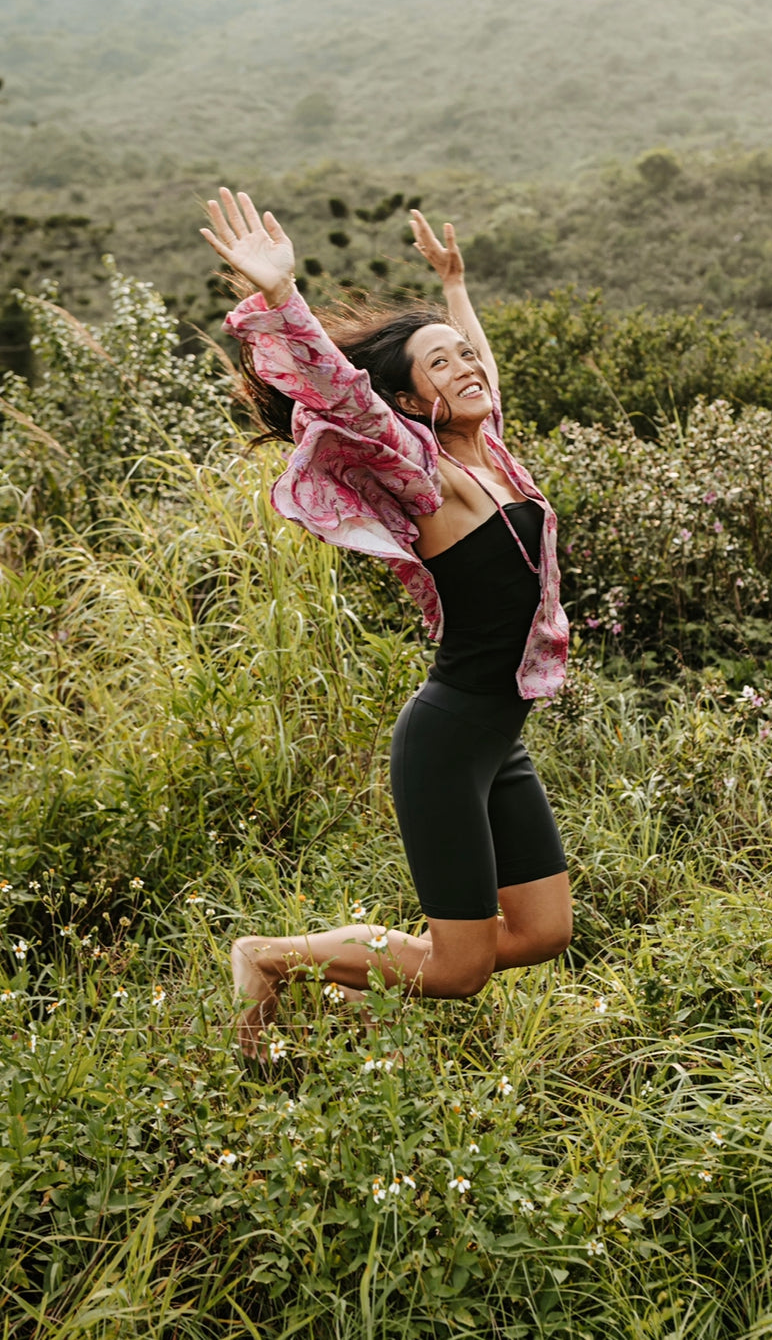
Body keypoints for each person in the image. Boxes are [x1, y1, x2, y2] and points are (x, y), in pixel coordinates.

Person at [200, 187, 572, 1058]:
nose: (467, 369)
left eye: (464, 360)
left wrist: (453, 292)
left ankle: (359, 988)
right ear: (413, 404)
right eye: (439, 368)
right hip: (447, 738)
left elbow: (482, 363)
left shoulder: (497, 459)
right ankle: (268, 957)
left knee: (543, 932)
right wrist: (282, 297)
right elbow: (346, 392)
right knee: (458, 969)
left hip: (498, 739)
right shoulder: (427, 473)